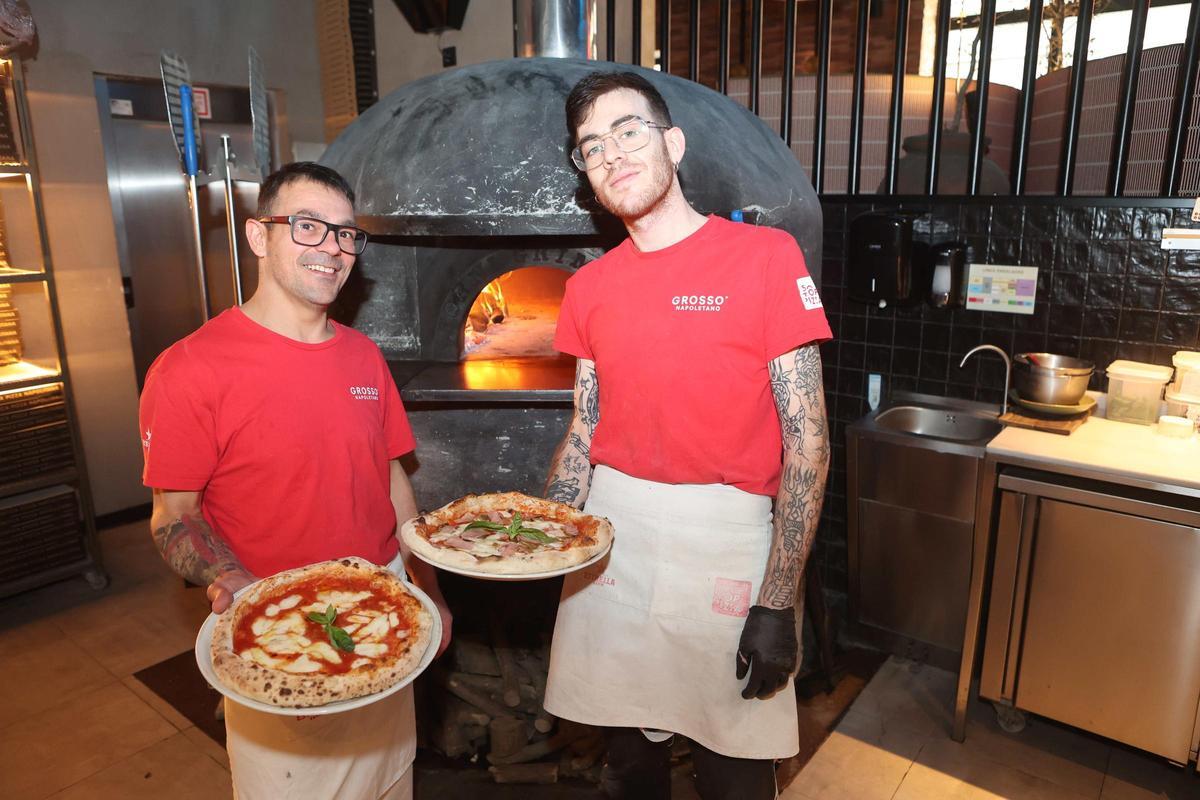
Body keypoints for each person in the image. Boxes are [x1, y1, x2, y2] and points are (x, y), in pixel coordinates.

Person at [542, 71, 832, 799]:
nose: (612, 154)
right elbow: (584, 429)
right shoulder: (587, 288)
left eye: (628, 131)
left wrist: (778, 600)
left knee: (735, 774)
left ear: (672, 143)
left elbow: (808, 444)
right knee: (629, 769)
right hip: (611, 548)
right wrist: (542, 539)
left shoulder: (766, 257)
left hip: (726, 543)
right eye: (591, 147)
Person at [139, 162, 451, 800]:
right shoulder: (188, 369)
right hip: (277, 623)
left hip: (384, 605)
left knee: (391, 780)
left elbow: (393, 480)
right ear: (259, 236)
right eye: (308, 226)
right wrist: (235, 585)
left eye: (345, 233)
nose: (332, 249)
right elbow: (175, 514)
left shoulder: (364, 356)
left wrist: (429, 593)